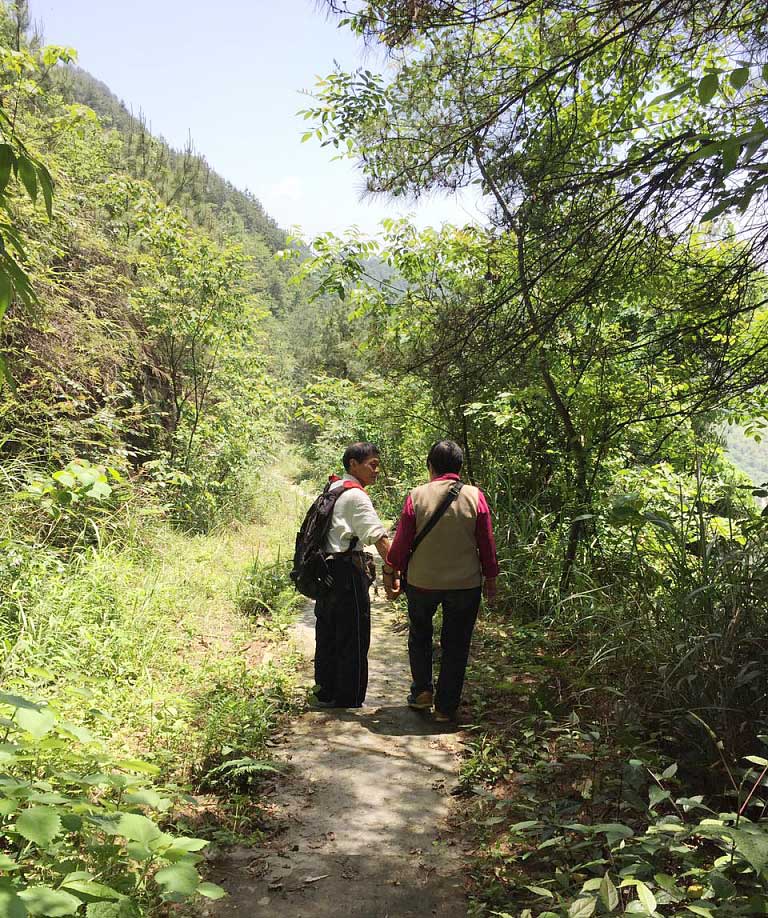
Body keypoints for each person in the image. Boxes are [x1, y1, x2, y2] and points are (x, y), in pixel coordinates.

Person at [385, 440, 498, 722]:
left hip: (422, 581)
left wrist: (392, 572)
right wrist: (491, 577)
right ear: (460, 466)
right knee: (457, 643)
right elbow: (486, 541)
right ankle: (446, 707)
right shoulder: (475, 496)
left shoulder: (417, 495)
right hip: (465, 583)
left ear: (430, 465)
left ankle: (422, 692)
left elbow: (401, 543)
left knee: (420, 634)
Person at [313, 441, 394, 708]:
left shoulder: (333, 488)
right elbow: (379, 538)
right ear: (353, 464)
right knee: (354, 636)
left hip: (325, 570)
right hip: (348, 573)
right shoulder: (356, 495)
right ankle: (348, 698)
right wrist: (395, 569)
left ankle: (326, 690)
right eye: (372, 464)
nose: (377, 470)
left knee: (327, 631)